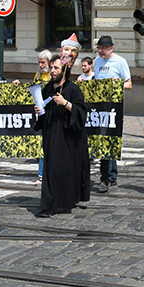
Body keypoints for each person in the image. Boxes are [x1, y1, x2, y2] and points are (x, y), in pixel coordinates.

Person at [34, 54, 90, 217]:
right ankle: (48, 206)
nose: (52, 70)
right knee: (50, 170)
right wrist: (39, 111)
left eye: (56, 68)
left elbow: (81, 112)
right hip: (51, 135)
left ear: (64, 70)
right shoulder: (48, 88)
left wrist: (65, 103)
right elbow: (43, 111)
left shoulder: (73, 89)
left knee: (64, 170)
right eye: (51, 67)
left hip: (68, 138)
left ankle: (64, 202)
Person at [93, 35, 132, 192]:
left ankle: (107, 177)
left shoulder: (120, 62)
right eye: (99, 48)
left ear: (111, 48)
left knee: (111, 139)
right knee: (104, 139)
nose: (101, 51)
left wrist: (118, 84)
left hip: (114, 107)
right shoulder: (97, 61)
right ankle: (110, 175)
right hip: (100, 107)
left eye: (103, 48)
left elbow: (129, 84)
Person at [12, 50, 52, 185]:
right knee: (38, 145)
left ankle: (42, 175)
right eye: (39, 62)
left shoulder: (51, 75)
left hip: (49, 114)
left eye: (43, 62)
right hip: (38, 114)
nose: (40, 65)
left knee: (43, 146)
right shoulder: (38, 75)